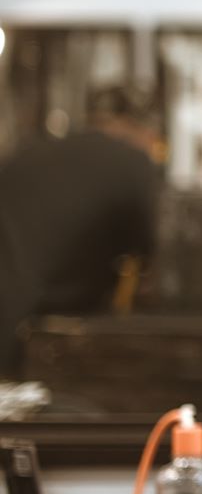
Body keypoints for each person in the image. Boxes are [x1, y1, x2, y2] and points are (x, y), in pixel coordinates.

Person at [0, 88, 163, 375]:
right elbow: (151, 253)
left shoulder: (36, 149)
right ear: (141, 130)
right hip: (27, 315)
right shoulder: (133, 162)